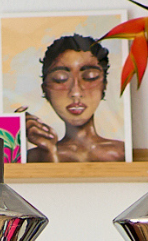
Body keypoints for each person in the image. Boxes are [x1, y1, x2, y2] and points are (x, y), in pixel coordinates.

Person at [22, 34, 127, 163]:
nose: (76, 92)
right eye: (60, 79)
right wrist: (51, 152)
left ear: (104, 85)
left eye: (90, 76)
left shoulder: (124, 152)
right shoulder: (35, 156)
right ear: (45, 89)